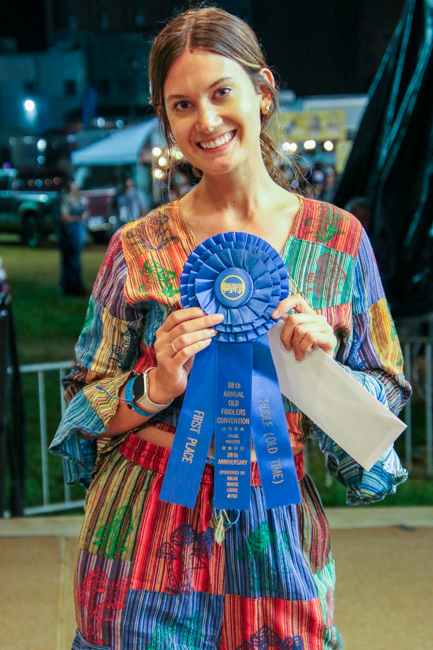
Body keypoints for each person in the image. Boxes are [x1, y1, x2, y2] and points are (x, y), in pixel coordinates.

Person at [50, 8, 411, 649]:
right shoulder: (136, 249)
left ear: (262, 90)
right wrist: (152, 388)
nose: (207, 121)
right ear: (166, 120)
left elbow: (379, 424)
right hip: (144, 530)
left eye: (222, 93)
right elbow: (80, 407)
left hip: (279, 536)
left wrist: (328, 374)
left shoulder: (338, 243)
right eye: (183, 104)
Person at [57, 180, 87, 296]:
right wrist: (77, 218)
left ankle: (76, 284)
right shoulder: (66, 199)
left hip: (78, 233)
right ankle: (71, 286)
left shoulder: (78, 199)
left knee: (76, 260)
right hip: (70, 234)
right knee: (71, 260)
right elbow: (64, 217)